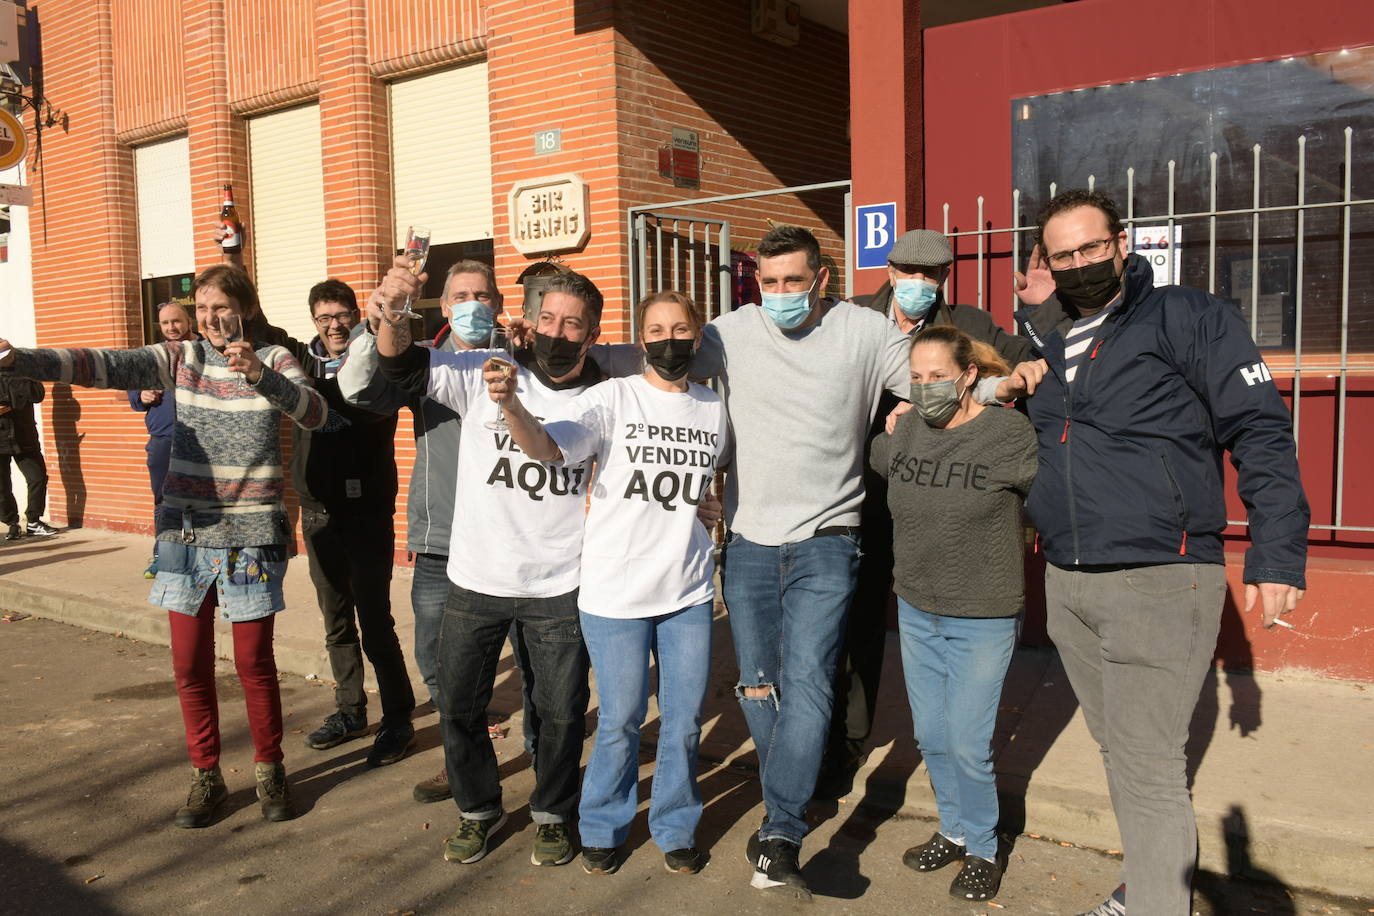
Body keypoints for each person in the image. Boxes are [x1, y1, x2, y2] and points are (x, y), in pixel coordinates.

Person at [1007, 189, 1309, 915]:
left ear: (1120, 244)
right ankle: (1147, 884)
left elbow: (1261, 431)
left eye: (1091, 248)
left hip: (1162, 577)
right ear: (1045, 262)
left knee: (1146, 769)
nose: (1079, 265)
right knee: (1123, 757)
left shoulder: (1189, 317)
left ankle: (1153, 904)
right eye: (1062, 254)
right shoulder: (1049, 344)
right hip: (1070, 580)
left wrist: (1277, 554)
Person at [0, 264, 327, 827]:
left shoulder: (274, 360)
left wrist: (260, 376)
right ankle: (207, 775)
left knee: (253, 661)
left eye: (219, 307)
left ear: (244, 309)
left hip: (250, 534)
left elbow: (315, 412)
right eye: (201, 309)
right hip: (186, 531)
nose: (209, 319)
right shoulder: (182, 358)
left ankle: (270, 769)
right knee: (188, 663)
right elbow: (101, 364)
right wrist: (18, 358)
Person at [688, 224, 910, 901]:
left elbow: (938, 375)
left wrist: (907, 406)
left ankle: (782, 828)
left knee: (810, 680)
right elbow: (658, 364)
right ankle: (793, 790)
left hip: (829, 539)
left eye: (794, 281)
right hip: (750, 541)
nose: (781, 294)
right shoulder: (728, 333)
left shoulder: (865, 333)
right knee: (758, 685)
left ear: (822, 278)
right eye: (769, 282)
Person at [373, 263, 612, 868]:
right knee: (458, 706)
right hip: (475, 579)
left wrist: (511, 407)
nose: (558, 331)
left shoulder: (604, 397)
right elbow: (400, 365)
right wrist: (397, 310)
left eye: (573, 323)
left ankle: (554, 813)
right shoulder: (479, 372)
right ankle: (478, 810)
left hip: (558, 584)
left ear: (592, 332)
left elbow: (551, 446)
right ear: (529, 321)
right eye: (548, 318)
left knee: (558, 713)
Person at [487, 290, 729, 877]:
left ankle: (674, 826)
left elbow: (714, 484)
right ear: (640, 339)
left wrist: (715, 510)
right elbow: (550, 447)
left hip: (688, 592)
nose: (668, 340)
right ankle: (602, 824)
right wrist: (515, 410)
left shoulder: (713, 410)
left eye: (680, 330)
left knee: (683, 719)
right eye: (655, 329)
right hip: (615, 593)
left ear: (696, 339)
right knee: (620, 717)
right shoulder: (612, 396)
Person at [819, 229, 1031, 798]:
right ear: (888, 270)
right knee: (852, 624)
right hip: (859, 494)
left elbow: (1023, 369)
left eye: (929, 274)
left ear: (943, 278)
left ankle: (954, 752)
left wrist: (1032, 321)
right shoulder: (854, 316)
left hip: (935, 503)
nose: (917, 283)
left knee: (923, 623)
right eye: (906, 271)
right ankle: (842, 746)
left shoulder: (970, 326)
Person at [871, 325, 1035, 902]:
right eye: (916, 378)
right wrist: (891, 419)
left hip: (983, 613)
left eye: (937, 376)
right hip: (917, 606)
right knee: (933, 736)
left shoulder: (1008, 433)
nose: (925, 388)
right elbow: (879, 458)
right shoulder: (908, 426)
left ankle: (985, 849)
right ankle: (953, 829)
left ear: (968, 376)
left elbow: (1049, 488)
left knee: (968, 742)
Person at [292, 279, 416, 766]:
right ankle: (350, 710)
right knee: (335, 617)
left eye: (341, 314)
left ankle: (399, 717)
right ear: (314, 321)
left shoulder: (374, 362)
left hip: (367, 509)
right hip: (318, 508)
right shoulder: (296, 363)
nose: (334, 325)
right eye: (324, 317)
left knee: (374, 618)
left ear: (354, 316)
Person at [128, 301, 195, 577]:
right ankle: (163, 556)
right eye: (166, 323)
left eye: (176, 321)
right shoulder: (151, 356)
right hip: (163, 440)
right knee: (164, 501)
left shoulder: (202, 351)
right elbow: (133, 396)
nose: (171, 327)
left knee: (200, 500)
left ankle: (199, 556)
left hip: (200, 440)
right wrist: (141, 396)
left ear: (189, 321)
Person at [0, 371, 56, 541]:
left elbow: (37, 395)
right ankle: (11, 523)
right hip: (1, 439)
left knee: (37, 477)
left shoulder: (23, 371)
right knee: (1, 486)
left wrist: (18, 376)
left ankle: (33, 521)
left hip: (24, 436)